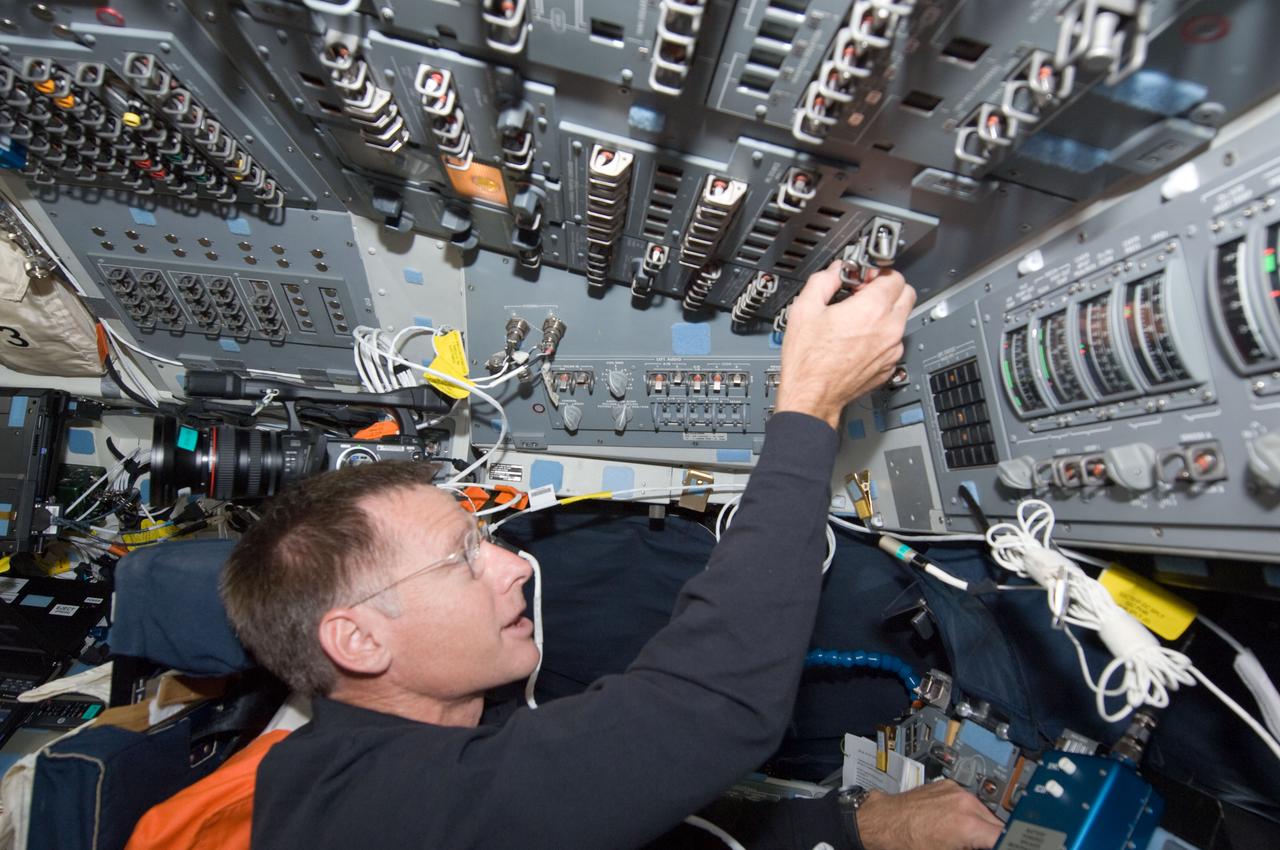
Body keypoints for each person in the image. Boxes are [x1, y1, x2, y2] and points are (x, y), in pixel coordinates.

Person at [221, 261, 1004, 850]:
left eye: (487, 541)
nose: (516, 565)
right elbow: (701, 712)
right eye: (462, 559)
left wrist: (851, 825)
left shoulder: (394, 759)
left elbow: (644, 809)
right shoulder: (369, 815)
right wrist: (809, 404)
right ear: (358, 639)